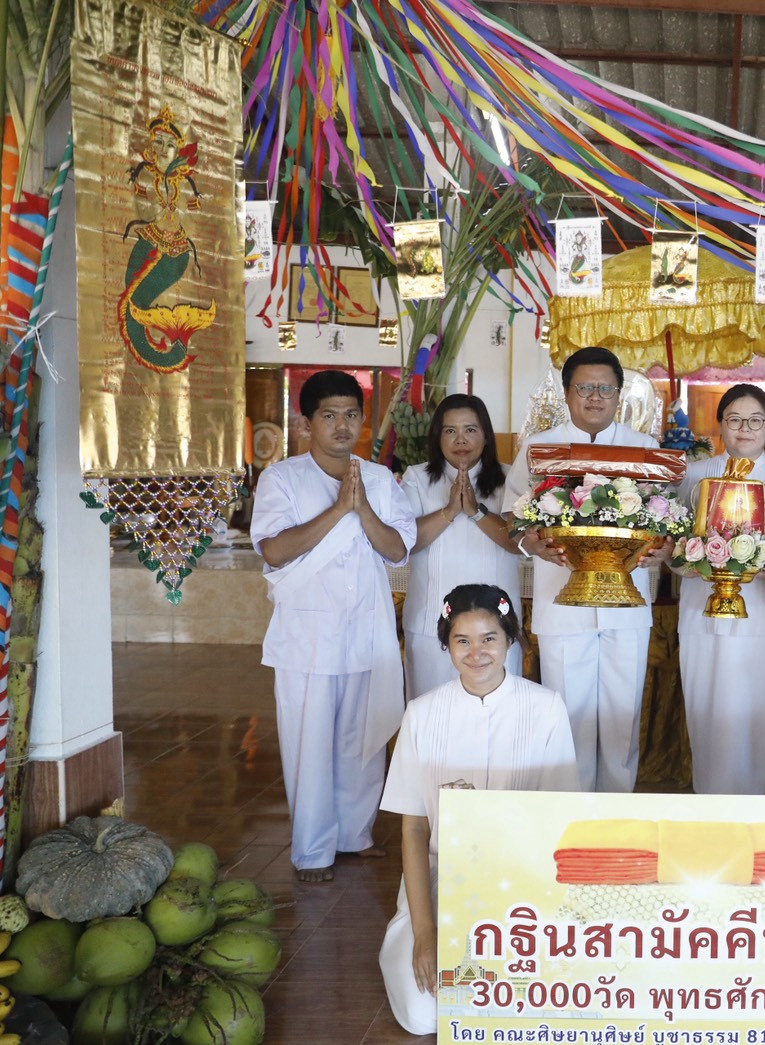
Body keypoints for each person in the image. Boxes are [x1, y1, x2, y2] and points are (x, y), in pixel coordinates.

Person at [378, 584, 578, 1035]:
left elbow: (558, 819)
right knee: (422, 1015)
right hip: (439, 877)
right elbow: (412, 831)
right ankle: (407, 939)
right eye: (461, 640)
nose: (477, 652)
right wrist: (426, 933)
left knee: (520, 1004)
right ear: (446, 645)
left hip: (524, 881)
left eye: (489, 637)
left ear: (511, 638)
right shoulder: (422, 714)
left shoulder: (546, 708)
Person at [251, 370, 417, 882]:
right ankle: (312, 850)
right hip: (308, 637)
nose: (341, 426)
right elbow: (274, 549)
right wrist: (339, 509)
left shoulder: (381, 480)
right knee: (310, 743)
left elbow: (398, 549)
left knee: (362, 741)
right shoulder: (282, 478)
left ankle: (354, 835)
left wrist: (362, 506)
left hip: (366, 631)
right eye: (329, 416)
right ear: (307, 423)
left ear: (362, 421)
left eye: (351, 415)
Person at [504, 346, 668, 793]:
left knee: (621, 717)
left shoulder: (646, 450)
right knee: (568, 716)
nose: (595, 397)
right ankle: (570, 814)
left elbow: (667, 519)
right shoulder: (539, 448)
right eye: (584, 388)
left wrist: (659, 548)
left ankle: (615, 817)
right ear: (567, 393)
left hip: (626, 605)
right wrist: (532, 543)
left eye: (604, 389)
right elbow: (512, 517)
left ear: (619, 395)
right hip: (564, 603)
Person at [677, 384, 765, 794]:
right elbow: (674, 542)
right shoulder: (696, 473)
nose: (745, 429)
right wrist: (692, 562)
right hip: (703, 606)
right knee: (707, 703)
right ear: (720, 426)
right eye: (734, 419)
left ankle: (758, 797)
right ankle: (709, 797)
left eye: (755, 420)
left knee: (762, 711)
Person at [400, 394, 522, 699]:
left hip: (496, 625)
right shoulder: (417, 478)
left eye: (470, 429)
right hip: (431, 624)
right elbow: (403, 544)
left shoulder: (510, 478)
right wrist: (449, 511)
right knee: (432, 711)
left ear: (486, 435)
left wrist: (476, 511)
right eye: (450, 430)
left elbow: (518, 543)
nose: (460, 439)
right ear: (437, 436)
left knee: (495, 714)